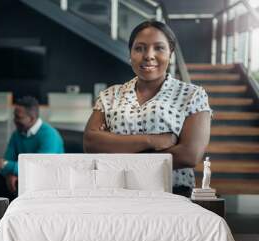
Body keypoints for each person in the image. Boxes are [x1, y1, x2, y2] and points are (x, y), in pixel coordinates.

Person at [83, 20, 212, 197]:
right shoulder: (110, 95)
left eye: (159, 48)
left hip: (172, 195)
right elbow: (90, 143)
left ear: (170, 54)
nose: (148, 55)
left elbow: (189, 155)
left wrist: (115, 146)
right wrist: (152, 141)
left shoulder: (192, 95)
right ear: (130, 54)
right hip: (115, 192)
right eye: (139, 48)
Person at [0, 96, 64, 201]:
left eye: (18, 117)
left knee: (19, 187)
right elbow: (8, 159)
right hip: (20, 176)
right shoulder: (17, 134)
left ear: (31, 118)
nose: (14, 120)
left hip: (44, 181)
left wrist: (2, 164)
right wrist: (10, 174)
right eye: (14, 116)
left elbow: (38, 168)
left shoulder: (50, 136)